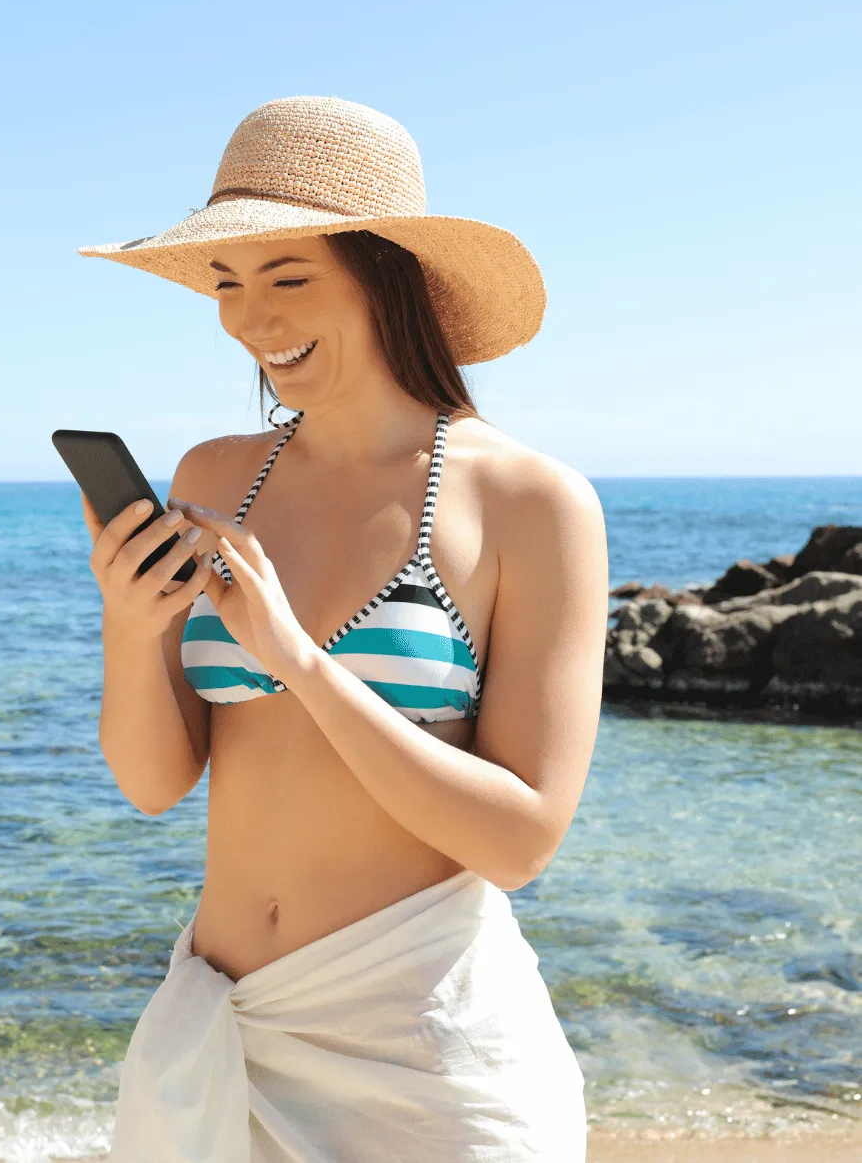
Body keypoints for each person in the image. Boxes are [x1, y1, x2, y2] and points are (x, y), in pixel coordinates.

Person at [76, 97, 609, 1161]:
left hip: (423, 1055)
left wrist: (298, 662)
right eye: (228, 283)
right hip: (220, 1025)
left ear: (385, 273)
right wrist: (131, 631)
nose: (252, 320)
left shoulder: (528, 502)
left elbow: (520, 841)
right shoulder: (216, 476)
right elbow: (151, 784)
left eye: (288, 277)